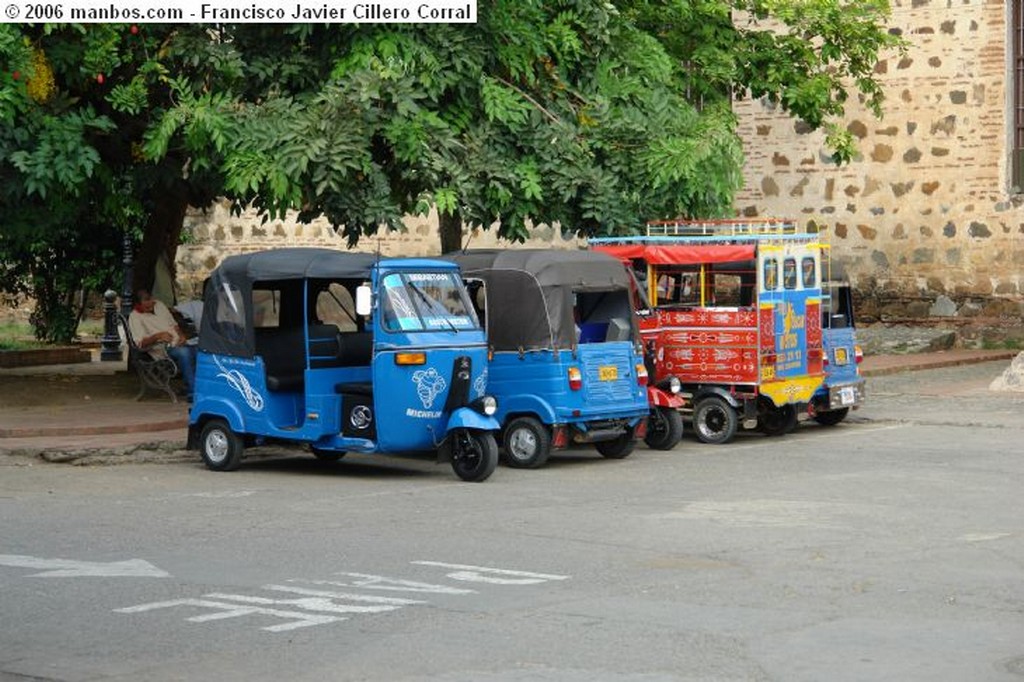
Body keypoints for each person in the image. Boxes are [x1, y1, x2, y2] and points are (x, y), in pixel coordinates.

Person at [129, 288, 198, 400]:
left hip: (178, 342)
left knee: (201, 351)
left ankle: (196, 387)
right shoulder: (135, 317)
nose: (151, 302)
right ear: (138, 304)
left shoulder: (159, 305)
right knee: (184, 353)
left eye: (150, 299)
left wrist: (182, 336)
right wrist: (157, 336)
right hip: (162, 348)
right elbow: (140, 343)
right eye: (146, 300)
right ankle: (193, 392)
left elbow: (174, 325)